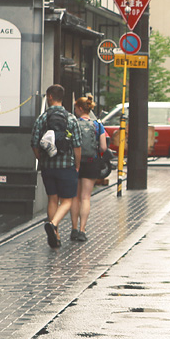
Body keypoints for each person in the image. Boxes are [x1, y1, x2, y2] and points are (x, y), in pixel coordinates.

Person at [30, 84, 79, 249]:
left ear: (50, 97)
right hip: (66, 165)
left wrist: (41, 159)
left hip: (48, 166)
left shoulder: (42, 118)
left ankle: (56, 237)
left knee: (52, 198)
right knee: (67, 201)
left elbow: (34, 143)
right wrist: (77, 165)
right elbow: (77, 145)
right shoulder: (71, 118)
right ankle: (54, 224)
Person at [70, 94, 108, 243]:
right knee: (86, 197)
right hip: (92, 162)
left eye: (75, 109)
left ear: (80, 109)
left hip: (75, 163)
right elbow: (103, 147)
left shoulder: (73, 124)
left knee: (75, 197)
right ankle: (82, 230)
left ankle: (73, 229)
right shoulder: (98, 125)